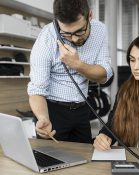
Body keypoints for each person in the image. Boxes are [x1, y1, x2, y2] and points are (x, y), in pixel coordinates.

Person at [27, 0, 113, 143]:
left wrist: (77, 64)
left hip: (82, 108)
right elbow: (36, 90)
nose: (74, 38)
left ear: (90, 15)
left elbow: (104, 75)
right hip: (52, 111)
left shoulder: (100, 30)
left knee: (85, 159)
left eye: (80, 31)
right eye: (66, 34)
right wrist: (43, 118)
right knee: (52, 162)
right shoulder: (46, 38)